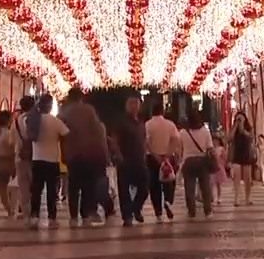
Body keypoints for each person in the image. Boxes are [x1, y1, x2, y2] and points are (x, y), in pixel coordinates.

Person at [58, 87, 108, 227]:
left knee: (73, 186)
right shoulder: (89, 110)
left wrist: (63, 153)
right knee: (88, 185)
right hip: (88, 152)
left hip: (72, 153)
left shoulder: (63, 113)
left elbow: (61, 135)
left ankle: (73, 217)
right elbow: (97, 131)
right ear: (81, 97)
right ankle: (85, 215)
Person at [27, 93, 69, 229]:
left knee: (36, 191)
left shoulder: (33, 119)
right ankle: (52, 219)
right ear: (50, 106)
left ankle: (34, 217)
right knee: (52, 191)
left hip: (37, 159)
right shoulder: (54, 121)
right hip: (52, 160)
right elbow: (66, 134)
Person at [112, 94, 149, 226]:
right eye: (131, 104)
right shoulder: (121, 122)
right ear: (127, 106)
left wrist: (145, 153)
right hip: (125, 159)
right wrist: (118, 154)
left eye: (136, 104)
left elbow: (144, 140)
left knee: (145, 187)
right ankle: (127, 216)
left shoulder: (140, 122)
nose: (134, 107)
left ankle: (135, 208)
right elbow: (115, 140)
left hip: (139, 159)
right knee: (124, 189)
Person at [145, 99, 180, 222]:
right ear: (162, 111)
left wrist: (155, 154)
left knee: (154, 185)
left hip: (152, 158)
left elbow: (146, 142)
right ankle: (168, 200)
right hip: (168, 157)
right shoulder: (170, 124)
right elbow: (176, 139)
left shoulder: (148, 125)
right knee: (169, 181)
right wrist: (168, 154)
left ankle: (158, 212)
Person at [178, 109, 215, 219]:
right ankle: (208, 211)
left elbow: (179, 149)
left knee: (189, 188)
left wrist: (180, 160)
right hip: (202, 161)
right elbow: (210, 148)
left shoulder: (183, 133)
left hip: (188, 161)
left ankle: (191, 211)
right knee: (205, 187)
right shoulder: (205, 131)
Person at [13, 95, 35, 219]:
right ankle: (33, 211)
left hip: (20, 155)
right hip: (34, 156)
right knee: (34, 184)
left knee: (23, 186)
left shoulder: (17, 120)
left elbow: (12, 140)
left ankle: (25, 211)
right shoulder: (36, 119)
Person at [228, 112, 256, 206]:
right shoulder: (234, 129)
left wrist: (242, 127)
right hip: (236, 155)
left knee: (247, 179)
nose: (239, 120)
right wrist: (236, 125)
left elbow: (250, 138)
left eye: (241, 118)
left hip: (246, 155)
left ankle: (248, 198)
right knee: (237, 178)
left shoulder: (249, 128)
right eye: (237, 118)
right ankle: (236, 198)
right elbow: (229, 138)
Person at [211, 133, 229, 206]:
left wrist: (223, 164)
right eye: (213, 140)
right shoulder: (211, 149)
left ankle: (219, 197)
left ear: (219, 141)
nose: (215, 142)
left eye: (216, 140)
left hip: (219, 168)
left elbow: (225, 158)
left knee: (218, 184)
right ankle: (213, 197)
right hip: (212, 168)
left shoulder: (221, 149)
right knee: (212, 184)